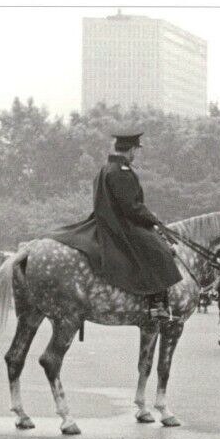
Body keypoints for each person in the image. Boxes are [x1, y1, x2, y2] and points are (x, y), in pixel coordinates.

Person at [46, 129, 182, 322]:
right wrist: (154, 220)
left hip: (106, 220)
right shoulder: (121, 172)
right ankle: (157, 305)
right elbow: (131, 207)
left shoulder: (105, 169)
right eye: (135, 150)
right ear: (131, 150)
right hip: (121, 225)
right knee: (158, 249)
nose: (135, 154)